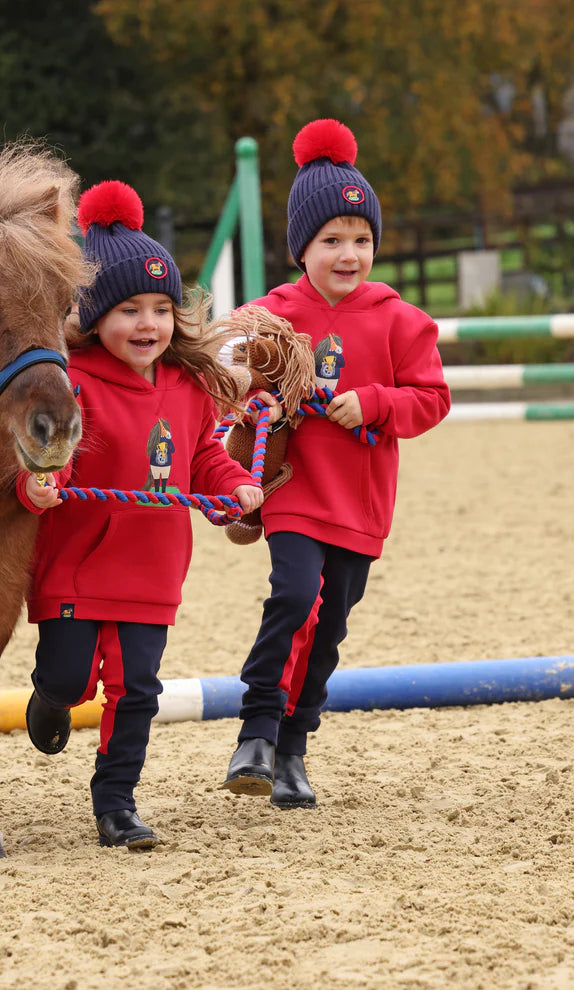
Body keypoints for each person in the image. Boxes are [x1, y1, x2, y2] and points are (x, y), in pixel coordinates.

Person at [16, 179, 264, 850]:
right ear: (94, 315)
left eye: (160, 307)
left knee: (137, 691)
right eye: (129, 309)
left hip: (150, 571)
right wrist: (42, 482)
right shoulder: (73, 379)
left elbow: (204, 457)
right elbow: (52, 451)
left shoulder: (188, 386)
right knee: (69, 678)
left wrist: (236, 486)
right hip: (75, 565)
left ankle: (116, 804)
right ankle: (50, 697)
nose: (148, 323)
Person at [221, 119, 451, 810]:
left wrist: (377, 402)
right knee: (294, 598)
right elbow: (226, 366)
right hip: (294, 489)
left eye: (362, 239)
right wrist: (244, 389)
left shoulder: (401, 320)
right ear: (301, 247)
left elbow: (432, 398)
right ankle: (256, 731)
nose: (349, 254)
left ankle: (293, 751)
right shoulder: (267, 315)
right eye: (332, 241)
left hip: (361, 500)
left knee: (329, 630)